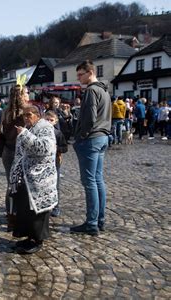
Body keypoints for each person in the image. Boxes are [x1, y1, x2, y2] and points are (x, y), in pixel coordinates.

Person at [9, 105, 57, 254]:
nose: (26, 118)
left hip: (40, 178)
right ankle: (29, 237)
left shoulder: (45, 127)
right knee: (26, 209)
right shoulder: (30, 127)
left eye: (29, 115)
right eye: (24, 115)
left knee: (37, 213)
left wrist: (24, 135)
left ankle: (37, 240)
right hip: (27, 177)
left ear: (37, 115)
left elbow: (45, 148)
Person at [71, 60, 111, 236]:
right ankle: (99, 220)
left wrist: (81, 137)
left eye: (81, 74)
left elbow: (89, 118)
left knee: (90, 182)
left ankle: (92, 223)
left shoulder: (92, 91)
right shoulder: (104, 90)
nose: (78, 78)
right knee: (97, 180)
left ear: (90, 72)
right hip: (102, 137)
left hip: (92, 138)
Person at [2, 84, 29, 231]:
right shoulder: (25, 113)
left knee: (11, 185)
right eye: (26, 93)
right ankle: (17, 216)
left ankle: (10, 215)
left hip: (7, 151)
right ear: (21, 96)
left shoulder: (6, 111)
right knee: (20, 186)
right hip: (18, 153)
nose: (28, 96)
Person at [44, 111, 68, 217]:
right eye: (47, 120)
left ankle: (56, 206)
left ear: (55, 121)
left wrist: (56, 147)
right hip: (43, 163)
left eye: (51, 120)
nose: (49, 122)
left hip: (55, 162)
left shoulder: (58, 133)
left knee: (55, 185)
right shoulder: (41, 132)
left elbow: (65, 148)